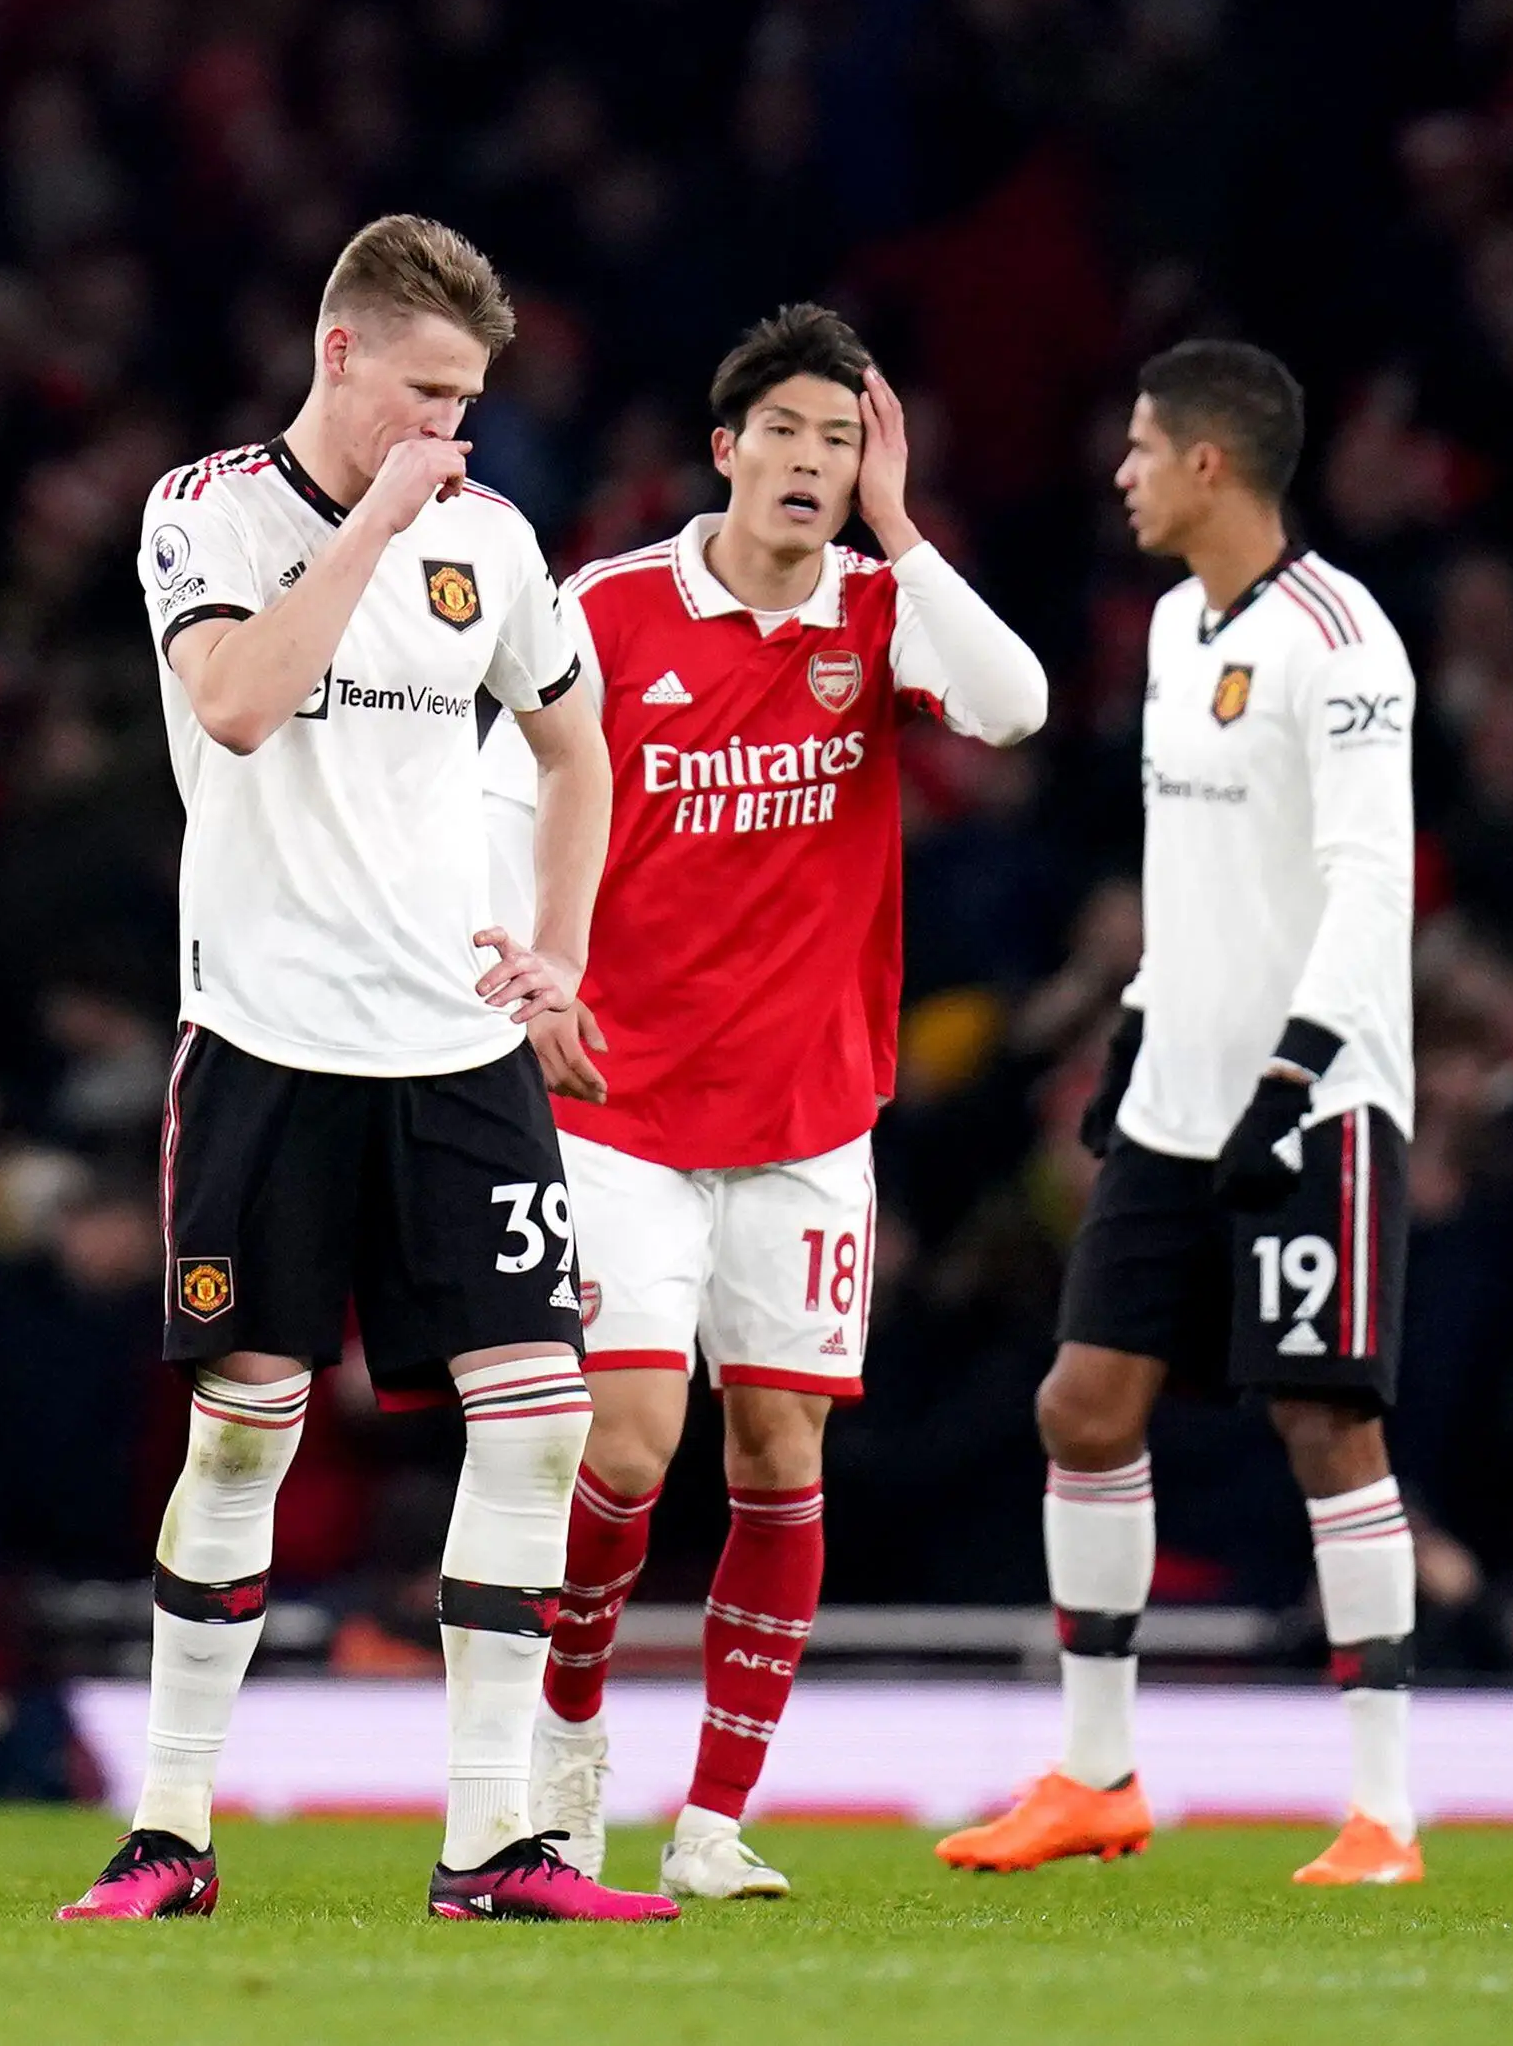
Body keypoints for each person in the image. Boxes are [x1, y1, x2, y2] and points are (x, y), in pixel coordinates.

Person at [58, 214, 673, 1926]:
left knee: (539, 1424)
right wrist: (377, 527)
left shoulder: (495, 536)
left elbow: (575, 742)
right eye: (422, 393)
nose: (447, 432)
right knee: (243, 1436)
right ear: (339, 355)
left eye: (467, 401)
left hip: (457, 1050)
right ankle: (169, 1830)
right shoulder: (206, 510)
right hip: (267, 1040)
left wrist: (558, 944)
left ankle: (492, 1845)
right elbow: (242, 704)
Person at [475, 306, 1048, 1898]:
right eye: (786, 433)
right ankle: (566, 1747)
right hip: (624, 1105)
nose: (812, 460)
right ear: (724, 451)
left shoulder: (881, 614)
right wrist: (531, 976)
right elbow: (497, 792)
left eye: (841, 438)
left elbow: (1014, 710)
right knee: (634, 1439)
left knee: (783, 1456)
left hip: (808, 1118)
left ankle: (717, 1816)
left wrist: (907, 533)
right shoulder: (606, 608)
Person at [938, 340, 1424, 1886]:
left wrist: (1291, 1071)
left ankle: (1386, 1809)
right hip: (1175, 1099)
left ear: (1213, 463)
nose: (1123, 471)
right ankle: (1097, 1773)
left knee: (1325, 1423)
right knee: (1081, 1407)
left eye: (1143, 447)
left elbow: (1368, 881)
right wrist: (1146, 1019)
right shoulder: (1164, 626)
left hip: (1316, 1095)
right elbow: (1197, 867)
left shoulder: (1345, 642)